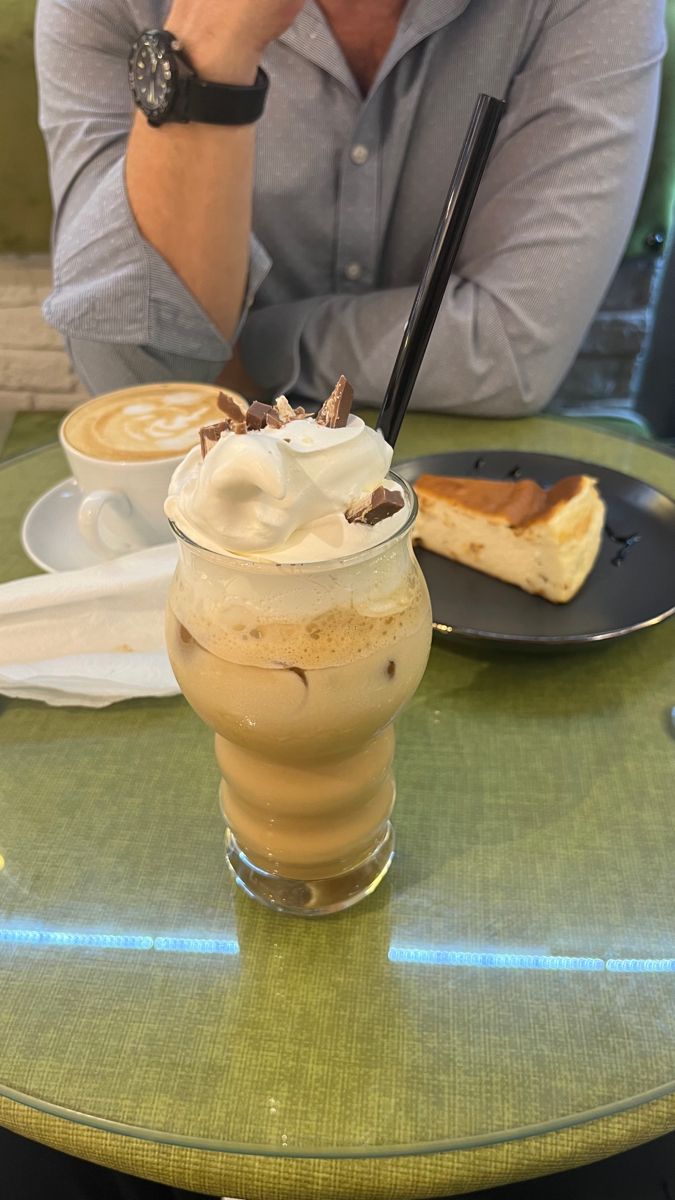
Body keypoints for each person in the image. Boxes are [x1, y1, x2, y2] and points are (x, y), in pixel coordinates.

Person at [36, 0, 665, 416]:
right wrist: (208, 41)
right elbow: (132, 380)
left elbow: (509, 349)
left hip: (473, 471)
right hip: (209, 510)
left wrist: (235, 351)